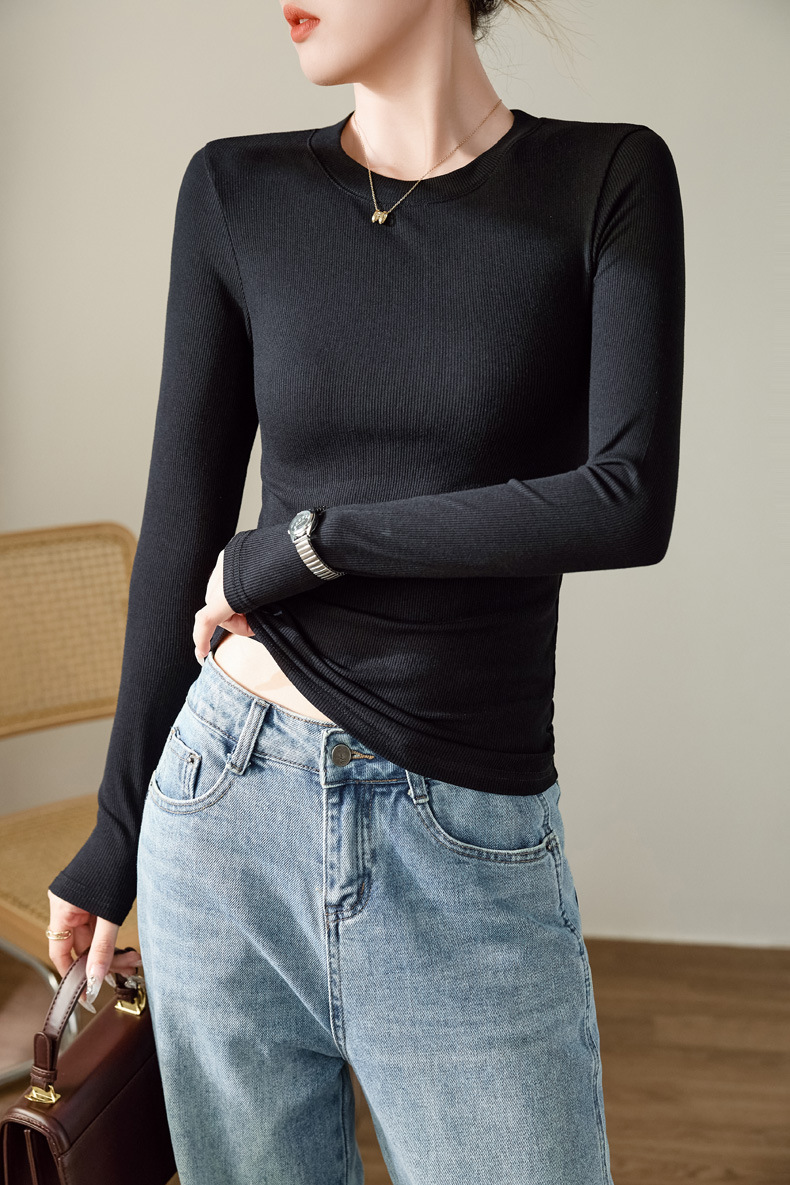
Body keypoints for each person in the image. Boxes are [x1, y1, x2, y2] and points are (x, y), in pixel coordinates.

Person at [46, 0, 685, 1181]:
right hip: (224, 805)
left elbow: (624, 499)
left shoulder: (604, 179)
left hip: (461, 831)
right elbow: (183, 523)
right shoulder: (236, 191)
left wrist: (309, 545)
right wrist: (115, 835)